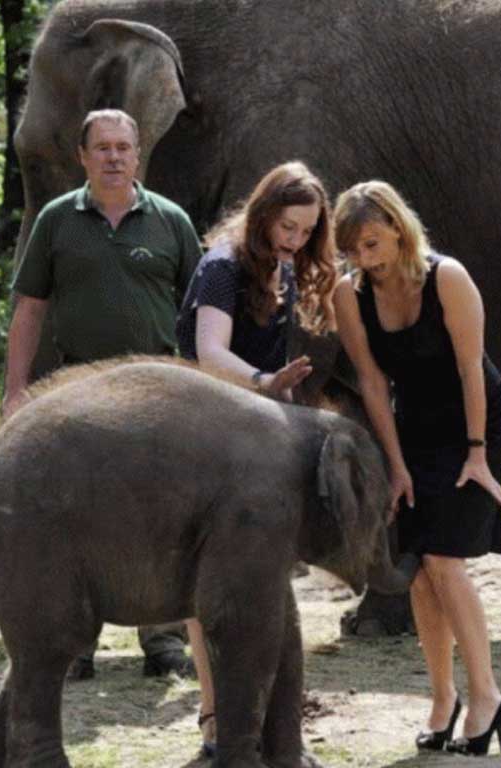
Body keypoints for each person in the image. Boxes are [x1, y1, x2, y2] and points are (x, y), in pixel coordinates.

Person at [2, 108, 203, 680]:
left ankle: (163, 641)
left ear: (138, 155)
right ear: (83, 157)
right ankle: (77, 643)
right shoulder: (56, 220)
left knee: (161, 517)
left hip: (158, 397)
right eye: (103, 148)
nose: (114, 157)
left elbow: (201, 312)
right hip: (79, 397)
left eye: (123, 147)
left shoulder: (171, 221)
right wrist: (16, 390)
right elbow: (29, 310)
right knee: (78, 518)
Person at [332, 180, 501, 756]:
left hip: (476, 424)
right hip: (411, 432)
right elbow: (371, 384)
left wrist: (478, 455)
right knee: (417, 572)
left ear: (397, 227)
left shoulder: (447, 278)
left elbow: (470, 369)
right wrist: (396, 466)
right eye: (353, 250)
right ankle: (443, 700)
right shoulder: (349, 294)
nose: (365, 260)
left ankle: (486, 696)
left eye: (372, 244)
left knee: (442, 558)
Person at [176, 160, 337, 755]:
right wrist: (267, 382)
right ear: (264, 214)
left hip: (257, 436)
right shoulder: (222, 265)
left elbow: (272, 366)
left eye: (307, 231)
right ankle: (214, 717)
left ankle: (273, 722)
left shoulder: (283, 268)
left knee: (268, 578)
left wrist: (286, 400)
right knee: (204, 582)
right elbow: (209, 351)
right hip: (205, 432)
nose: (296, 240)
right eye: (288, 227)